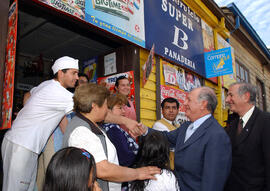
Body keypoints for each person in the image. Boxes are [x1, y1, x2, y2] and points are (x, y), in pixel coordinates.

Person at [1, 56, 79, 191]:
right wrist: (125, 120)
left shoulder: (46, 84)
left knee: (27, 187)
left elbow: (27, 95)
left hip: (21, 143)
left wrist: (28, 115)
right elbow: (91, 110)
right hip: (22, 144)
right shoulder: (60, 93)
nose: (77, 77)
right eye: (74, 73)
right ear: (61, 73)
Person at [62, 84, 160, 191]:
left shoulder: (89, 119)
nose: (107, 110)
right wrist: (138, 173)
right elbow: (103, 170)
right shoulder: (82, 132)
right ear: (94, 106)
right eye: (105, 105)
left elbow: (107, 117)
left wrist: (126, 121)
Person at [142, 86, 232, 191]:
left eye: (189, 99)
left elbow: (213, 182)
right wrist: (143, 130)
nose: (184, 103)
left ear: (203, 104)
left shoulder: (217, 135)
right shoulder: (186, 126)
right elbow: (166, 138)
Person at [224, 82, 270, 191]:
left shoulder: (266, 122)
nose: (227, 100)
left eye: (231, 95)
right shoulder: (233, 125)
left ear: (246, 97)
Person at [102, 93, 138, 167]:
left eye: (123, 108)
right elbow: (125, 158)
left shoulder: (113, 127)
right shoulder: (112, 129)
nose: (124, 111)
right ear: (108, 110)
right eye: (120, 108)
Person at [152, 97, 180, 170]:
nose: (171, 111)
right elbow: (174, 143)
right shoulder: (158, 125)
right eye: (167, 108)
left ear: (177, 111)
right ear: (162, 110)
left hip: (177, 166)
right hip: (166, 167)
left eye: (174, 108)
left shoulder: (178, 125)